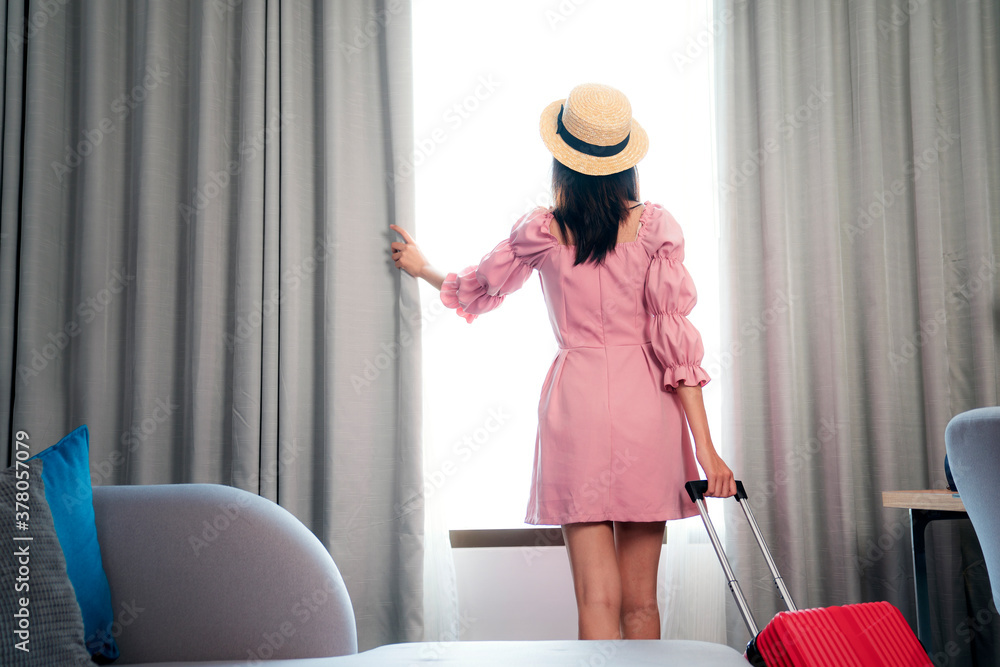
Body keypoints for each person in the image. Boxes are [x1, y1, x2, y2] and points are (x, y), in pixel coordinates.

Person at [389, 83, 736, 641]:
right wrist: (708, 450)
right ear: (625, 162)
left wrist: (425, 269)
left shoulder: (544, 231)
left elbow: (480, 289)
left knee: (595, 600)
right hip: (647, 409)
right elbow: (677, 347)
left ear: (563, 162)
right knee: (642, 604)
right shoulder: (655, 230)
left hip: (576, 410)